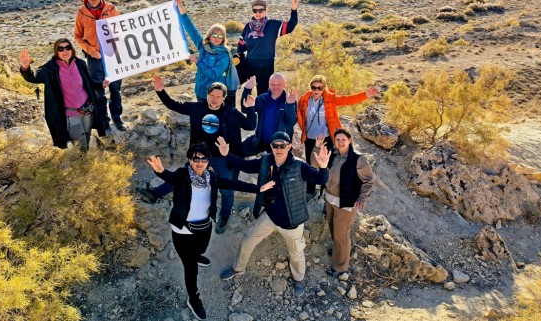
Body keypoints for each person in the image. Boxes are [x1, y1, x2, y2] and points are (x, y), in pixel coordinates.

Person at [146, 143, 274, 320]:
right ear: (190, 160)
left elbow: (230, 183)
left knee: (201, 249)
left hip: (204, 226)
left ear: (208, 160)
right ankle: (194, 299)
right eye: (195, 158)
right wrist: (160, 171)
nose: (199, 162)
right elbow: (169, 176)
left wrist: (257, 189)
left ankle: (197, 255)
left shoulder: (211, 178)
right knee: (190, 268)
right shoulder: (182, 176)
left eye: (203, 158)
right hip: (183, 230)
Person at [216, 132, 329, 297]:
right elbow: (244, 165)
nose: (279, 149)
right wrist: (227, 155)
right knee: (247, 240)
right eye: (275, 145)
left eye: (282, 145)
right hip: (270, 215)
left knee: (296, 253)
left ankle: (299, 278)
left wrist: (324, 167)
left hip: (292, 221)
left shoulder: (299, 166)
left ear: (289, 147)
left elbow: (321, 180)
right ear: (271, 147)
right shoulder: (266, 161)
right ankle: (237, 268)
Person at [148, 75, 257, 234]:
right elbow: (173, 105)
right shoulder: (197, 108)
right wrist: (160, 91)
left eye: (218, 97)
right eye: (211, 95)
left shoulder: (231, 112)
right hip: (200, 155)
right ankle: (155, 194)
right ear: (207, 95)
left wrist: (251, 108)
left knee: (227, 190)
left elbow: (250, 125)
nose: (214, 99)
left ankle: (224, 217)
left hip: (223, 157)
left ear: (224, 98)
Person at [297, 75, 378, 197]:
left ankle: (325, 190)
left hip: (326, 138)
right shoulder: (304, 100)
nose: (316, 91)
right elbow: (298, 114)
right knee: (310, 165)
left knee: (327, 165)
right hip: (309, 138)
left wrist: (365, 95)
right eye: (314, 87)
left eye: (320, 88)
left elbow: (347, 100)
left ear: (324, 88)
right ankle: (310, 190)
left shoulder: (329, 99)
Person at [19, 38, 105, 151]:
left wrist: (101, 84)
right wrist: (26, 68)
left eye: (67, 47)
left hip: (87, 111)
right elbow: (34, 77)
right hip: (70, 114)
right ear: (56, 51)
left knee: (86, 141)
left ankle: (83, 164)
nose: (65, 51)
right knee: (81, 147)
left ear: (72, 49)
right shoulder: (50, 68)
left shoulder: (80, 64)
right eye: (61, 49)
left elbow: (89, 83)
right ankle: (82, 165)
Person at [321, 128, 374, 277]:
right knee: (333, 229)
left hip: (346, 203)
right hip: (330, 200)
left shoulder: (359, 159)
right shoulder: (333, 155)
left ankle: (340, 268)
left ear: (350, 140)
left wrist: (361, 199)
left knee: (341, 235)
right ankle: (340, 251)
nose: (340, 142)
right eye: (337, 139)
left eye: (343, 139)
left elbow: (369, 181)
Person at [74, 0, 125, 132]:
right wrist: (91, 50)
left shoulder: (111, 9)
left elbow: (121, 29)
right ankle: (104, 121)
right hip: (93, 57)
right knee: (98, 91)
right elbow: (78, 36)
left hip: (113, 54)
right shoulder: (81, 13)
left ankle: (118, 119)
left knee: (116, 88)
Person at [175, 0, 240, 107]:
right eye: (215, 35)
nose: (217, 38)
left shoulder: (224, 55)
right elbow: (192, 30)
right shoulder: (204, 47)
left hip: (214, 95)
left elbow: (213, 74)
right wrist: (181, 9)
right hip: (200, 91)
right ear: (209, 36)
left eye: (220, 36)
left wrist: (197, 61)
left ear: (223, 39)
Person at [236, 0, 298, 95]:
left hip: (266, 66)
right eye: (255, 11)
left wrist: (294, 9)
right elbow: (242, 43)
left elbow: (291, 25)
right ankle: (240, 108)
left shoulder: (273, 25)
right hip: (249, 64)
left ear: (266, 11)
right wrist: (238, 56)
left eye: (261, 10)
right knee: (233, 84)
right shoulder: (248, 26)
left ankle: (260, 110)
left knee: (263, 94)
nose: (258, 13)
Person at [240, 73, 298, 158]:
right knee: (238, 149)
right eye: (272, 84)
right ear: (269, 84)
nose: (275, 87)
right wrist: (247, 90)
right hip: (260, 141)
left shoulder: (289, 100)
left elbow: (291, 122)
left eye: (278, 84)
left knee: (272, 168)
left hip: (279, 145)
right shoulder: (262, 99)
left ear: (284, 84)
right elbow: (245, 108)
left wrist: (290, 105)